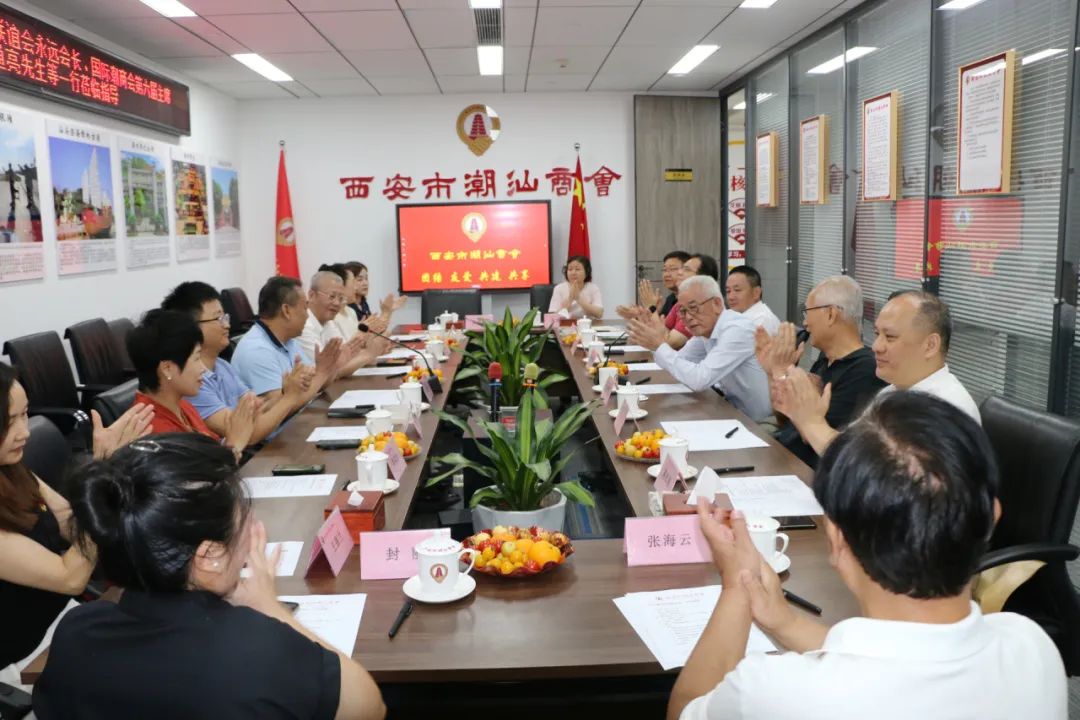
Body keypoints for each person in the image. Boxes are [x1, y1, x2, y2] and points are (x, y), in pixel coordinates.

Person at [668, 392, 1066, 720]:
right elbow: (905, 656)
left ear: (836, 539)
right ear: (991, 517)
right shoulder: (1033, 650)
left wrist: (737, 584)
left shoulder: (775, 693)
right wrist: (784, 621)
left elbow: (685, 710)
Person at [33, 433, 386, 719]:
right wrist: (271, 608)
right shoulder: (261, 649)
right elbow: (369, 707)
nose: (254, 528)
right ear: (210, 556)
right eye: (245, 518)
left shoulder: (76, 632)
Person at [0, 362, 152, 688]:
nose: (24, 431)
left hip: (64, 621)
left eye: (24, 414)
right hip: (21, 662)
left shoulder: (12, 470)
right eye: (9, 422)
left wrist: (103, 468)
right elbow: (70, 577)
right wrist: (101, 480)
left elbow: (71, 524)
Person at [774, 290, 979, 456]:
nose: (876, 346)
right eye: (877, 334)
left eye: (890, 337)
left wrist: (812, 422)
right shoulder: (891, 392)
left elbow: (868, 469)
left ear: (930, 345)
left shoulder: (945, 408)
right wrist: (805, 414)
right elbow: (850, 445)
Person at [162, 281, 325, 445]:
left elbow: (260, 410)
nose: (227, 325)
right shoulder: (191, 382)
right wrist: (290, 396)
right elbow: (247, 434)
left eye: (225, 317)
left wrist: (288, 393)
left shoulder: (223, 366)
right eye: (218, 318)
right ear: (192, 327)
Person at [755, 275, 883, 466]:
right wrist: (773, 374)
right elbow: (785, 421)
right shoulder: (824, 360)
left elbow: (812, 436)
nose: (805, 323)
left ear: (831, 314)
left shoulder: (864, 370)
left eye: (807, 312)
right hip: (784, 456)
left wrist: (782, 372)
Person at [628, 275, 771, 421]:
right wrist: (654, 343)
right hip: (731, 410)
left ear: (717, 304)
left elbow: (699, 379)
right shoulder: (706, 330)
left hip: (759, 423)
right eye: (682, 311)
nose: (688, 317)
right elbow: (678, 361)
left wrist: (659, 345)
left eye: (693, 308)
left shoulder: (737, 329)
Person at [127, 309, 256, 461]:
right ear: (167, 368)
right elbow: (197, 475)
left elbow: (211, 451)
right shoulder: (150, 430)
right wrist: (234, 445)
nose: (203, 369)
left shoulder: (183, 405)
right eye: (196, 358)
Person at [231, 276, 344, 398]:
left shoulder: (289, 341)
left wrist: (329, 367)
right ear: (286, 310)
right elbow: (280, 404)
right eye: (305, 309)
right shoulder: (256, 351)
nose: (307, 316)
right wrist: (322, 373)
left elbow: (316, 384)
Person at [300, 271, 389, 379]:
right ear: (311, 295)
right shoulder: (303, 326)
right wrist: (368, 354)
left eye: (341, 298)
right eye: (332, 296)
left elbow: (344, 359)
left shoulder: (329, 322)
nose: (337, 303)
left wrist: (373, 349)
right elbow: (325, 373)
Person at [344, 260, 406, 327]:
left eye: (366, 278)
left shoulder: (363, 303)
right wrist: (385, 312)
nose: (365, 283)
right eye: (360, 280)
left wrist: (388, 311)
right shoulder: (346, 307)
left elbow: (375, 330)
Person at [725, 266, 780, 334]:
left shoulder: (761, 321)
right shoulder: (734, 316)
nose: (731, 297)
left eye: (737, 290)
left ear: (756, 292)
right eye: (728, 291)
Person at [549, 255, 603, 319]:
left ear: (586, 272)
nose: (573, 273)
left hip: (587, 324)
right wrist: (570, 298)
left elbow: (599, 314)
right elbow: (552, 316)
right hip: (565, 324)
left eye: (577, 269)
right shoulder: (559, 288)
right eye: (570, 269)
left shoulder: (593, 288)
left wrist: (578, 298)